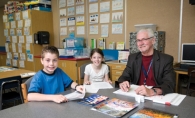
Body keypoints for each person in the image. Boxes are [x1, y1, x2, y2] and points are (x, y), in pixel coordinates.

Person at [118, 28, 175, 96]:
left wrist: (152, 91)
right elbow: (124, 76)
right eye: (138, 40)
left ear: (153, 40)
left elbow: (169, 84)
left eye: (144, 39)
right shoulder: (132, 58)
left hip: (155, 96)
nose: (141, 43)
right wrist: (123, 82)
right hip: (137, 94)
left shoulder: (166, 59)